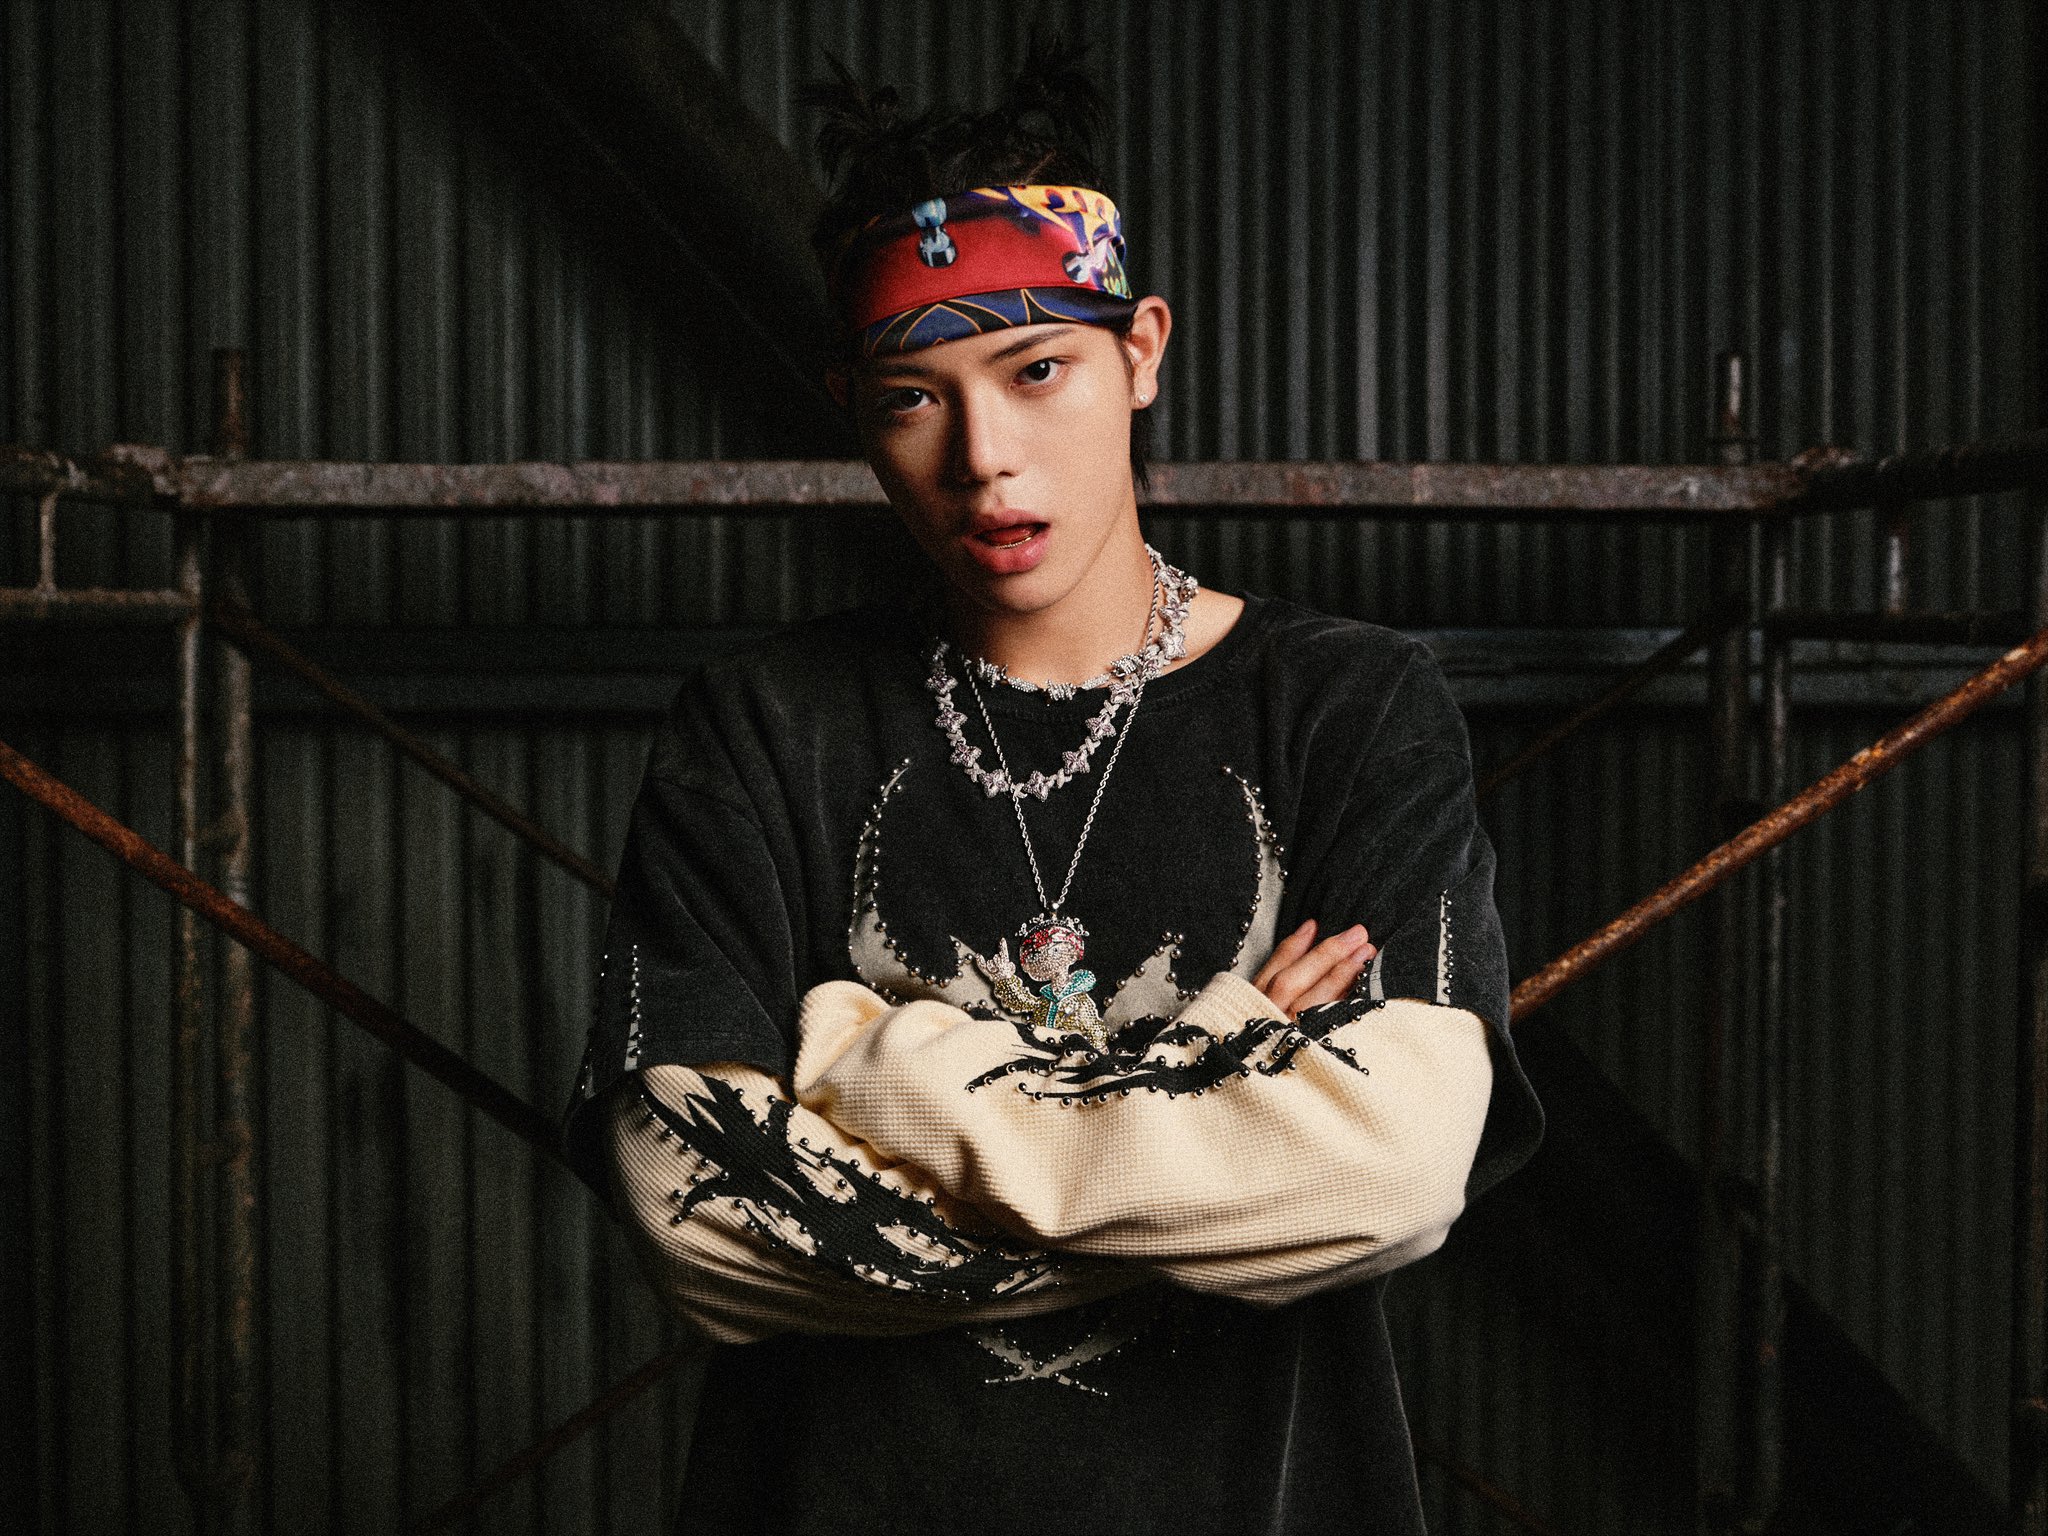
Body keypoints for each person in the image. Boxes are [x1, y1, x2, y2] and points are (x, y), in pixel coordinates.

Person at [562, 42, 1541, 1536]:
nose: (984, 460)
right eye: (913, 398)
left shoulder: (1350, 708)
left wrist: (885, 1079)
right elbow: (694, 1213)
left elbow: (1393, 1173)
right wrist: (1221, 1068)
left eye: (1037, 372)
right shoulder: (764, 727)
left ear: (1140, 351)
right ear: (854, 409)